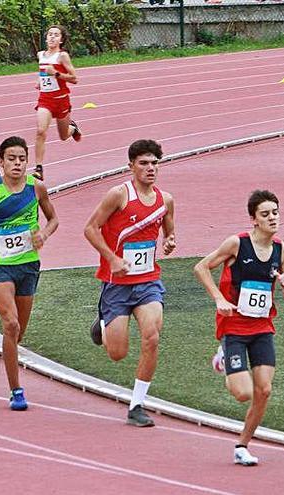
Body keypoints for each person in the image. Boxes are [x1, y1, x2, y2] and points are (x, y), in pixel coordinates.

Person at [193, 190, 284, 467]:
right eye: (265, 214)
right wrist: (219, 298)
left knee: (264, 390)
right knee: (243, 393)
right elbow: (201, 268)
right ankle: (223, 357)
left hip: (262, 326)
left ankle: (242, 445)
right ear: (253, 219)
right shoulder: (236, 244)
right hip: (234, 326)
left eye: (275, 212)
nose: (272, 218)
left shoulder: (281, 250)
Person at [83, 139, 176, 427]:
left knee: (152, 336)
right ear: (131, 166)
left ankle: (137, 404)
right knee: (117, 353)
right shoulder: (118, 195)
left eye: (154, 163)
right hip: (117, 283)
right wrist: (111, 258)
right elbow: (90, 228)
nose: (150, 168)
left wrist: (170, 241)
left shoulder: (166, 200)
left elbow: (168, 230)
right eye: (144, 163)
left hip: (148, 281)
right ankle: (101, 325)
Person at [0, 136, 59, 411]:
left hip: (28, 265)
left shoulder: (37, 187)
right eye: (11, 159)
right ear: (1, 162)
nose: (17, 164)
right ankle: (16, 390)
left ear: (27, 162)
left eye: (21, 159)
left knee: (20, 335)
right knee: (11, 326)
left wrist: (43, 233)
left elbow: (53, 219)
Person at [33, 25, 82, 182]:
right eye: (50, 34)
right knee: (41, 131)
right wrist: (40, 81)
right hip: (45, 100)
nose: (52, 37)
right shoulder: (40, 55)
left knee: (63, 136)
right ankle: (39, 168)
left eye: (56, 35)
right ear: (46, 38)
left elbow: (74, 79)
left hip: (61, 101)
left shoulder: (62, 56)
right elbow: (43, 73)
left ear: (61, 40)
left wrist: (57, 74)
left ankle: (72, 128)